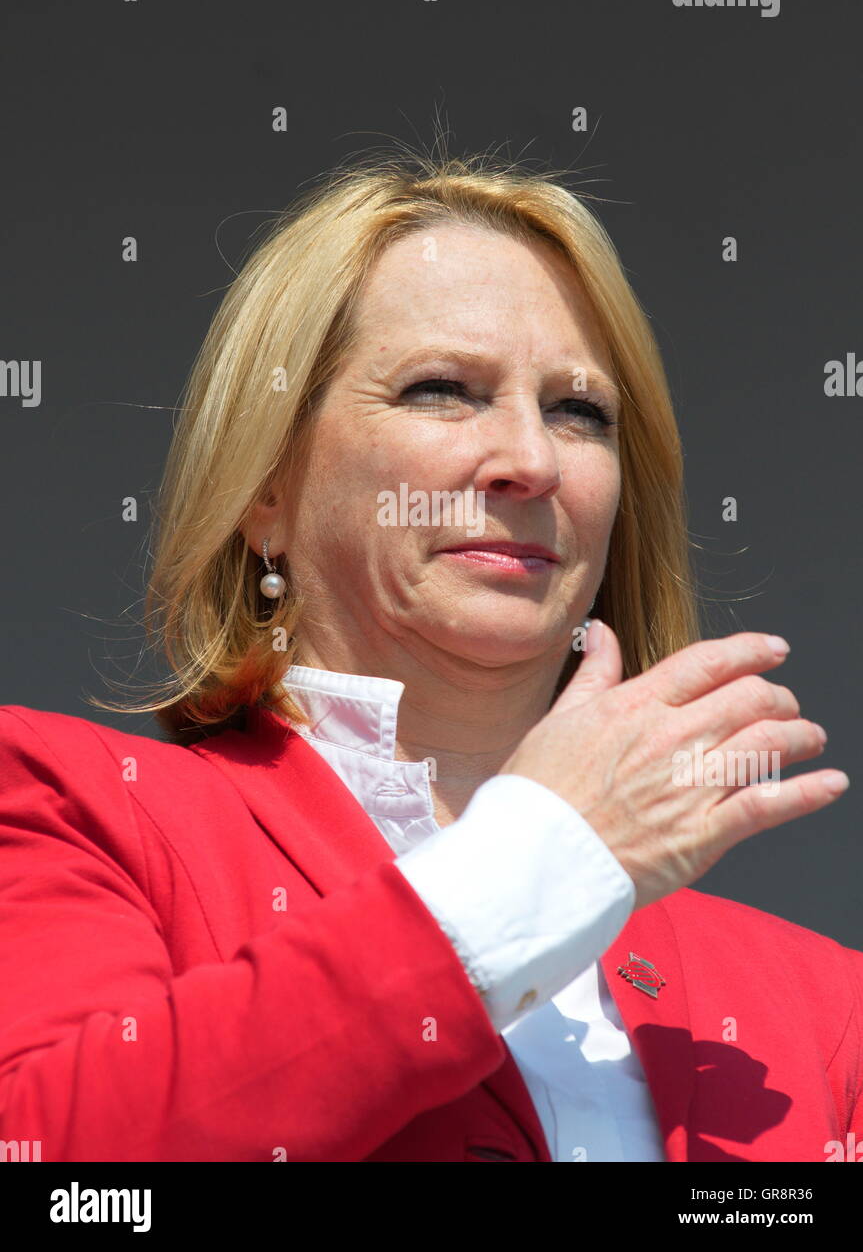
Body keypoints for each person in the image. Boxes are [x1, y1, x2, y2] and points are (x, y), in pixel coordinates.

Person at [0, 150, 859, 1163]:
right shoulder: (76, 811)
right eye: (441, 390)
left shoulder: (819, 1006)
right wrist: (536, 856)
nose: (530, 461)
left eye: (577, 411)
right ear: (262, 488)